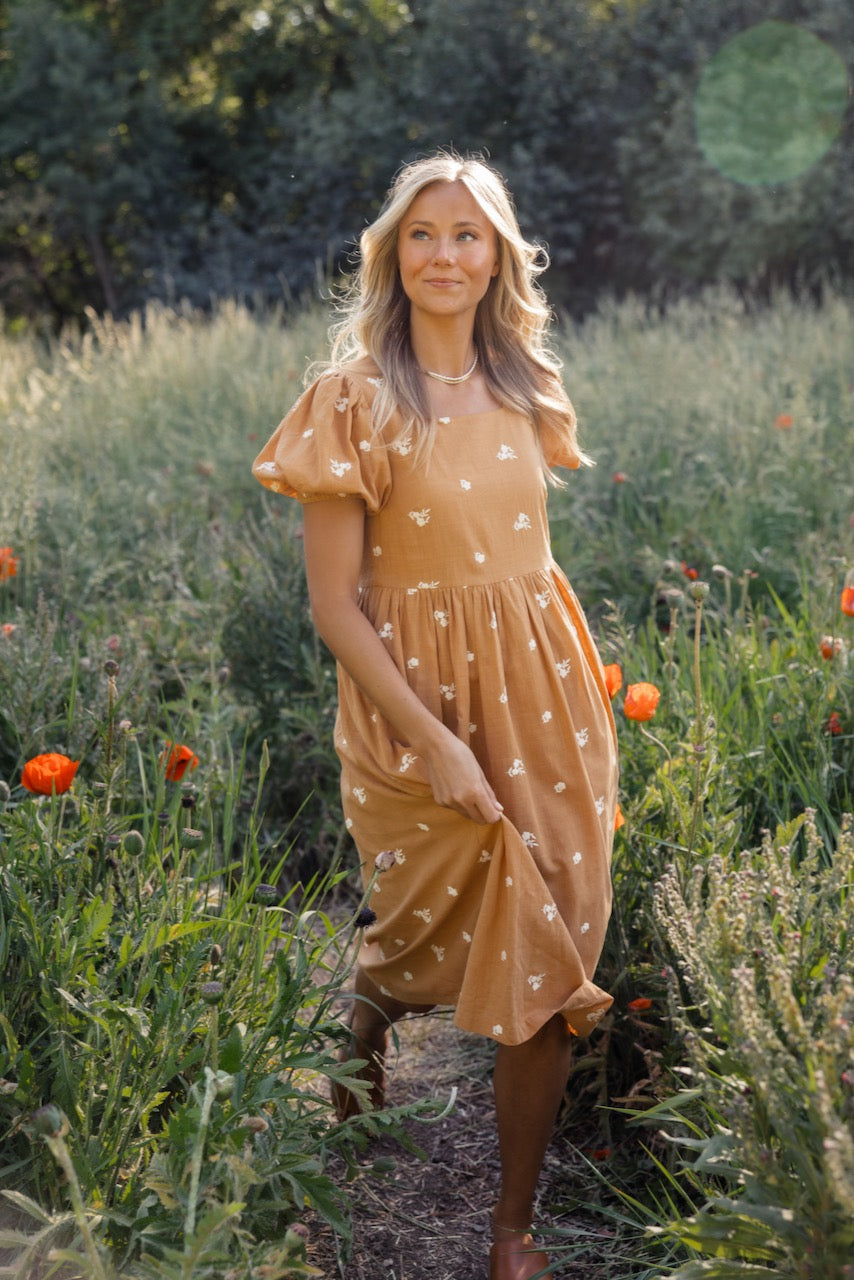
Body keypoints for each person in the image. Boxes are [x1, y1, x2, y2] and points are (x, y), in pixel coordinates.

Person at [253, 151, 618, 1280]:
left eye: (467, 234)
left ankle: (509, 1228)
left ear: (497, 255)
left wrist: (549, 699)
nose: (444, 254)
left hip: (546, 702)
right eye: (422, 234)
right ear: (391, 256)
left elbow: (524, 570)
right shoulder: (351, 400)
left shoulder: (524, 385)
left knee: (553, 952)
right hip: (412, 703)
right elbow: (333, 609)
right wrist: (438, 738)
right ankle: (366, 1023)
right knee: (419, 924)